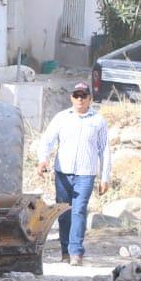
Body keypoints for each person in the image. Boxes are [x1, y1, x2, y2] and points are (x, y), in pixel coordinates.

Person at [36, 82, 112, 266]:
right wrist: (42, 160)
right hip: (63, 173)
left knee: (79, 210)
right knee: (64, 212)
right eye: (76, 95)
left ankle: (76, 252)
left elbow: (105, 150)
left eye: (83, 96)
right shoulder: (62, 118)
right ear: (71, 98)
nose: (80, 99)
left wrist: (105, 177)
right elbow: (47, 140)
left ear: (90, 99)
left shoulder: (98, 121)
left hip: (86, 174)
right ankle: (64, 251)